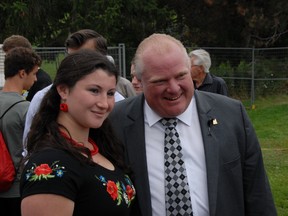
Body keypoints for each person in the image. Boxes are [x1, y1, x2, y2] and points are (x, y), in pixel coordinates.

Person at [108, 33, 277, 216]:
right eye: (160, 81)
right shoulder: (115, 121)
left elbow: (258, 195)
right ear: (139, 82)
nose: (173, 88)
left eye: (181, 76)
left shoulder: (232, 115)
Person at [20, 50, 136, 216]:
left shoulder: (104, 147)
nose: (104, 103)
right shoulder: (50, 166)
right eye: (94, 90)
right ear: (63, 91)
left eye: (110, 93)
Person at [22, 29, 124, 150]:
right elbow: (28, 148)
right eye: (71, 58)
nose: (103, 104)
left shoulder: (120, 104)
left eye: (85, 59)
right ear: (63, 91)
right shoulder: (42, 97)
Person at [0, 47, 41, 216]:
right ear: (22, 73)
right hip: (16, 188)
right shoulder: (26, 109)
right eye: (34, 73)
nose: (36, 78)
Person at [2, 35, 52, 101]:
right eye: (6, 56)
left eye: (11, 55)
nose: (8, 59)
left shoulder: (42, 81)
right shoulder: (14, 77)